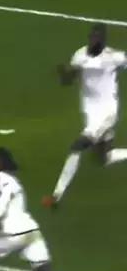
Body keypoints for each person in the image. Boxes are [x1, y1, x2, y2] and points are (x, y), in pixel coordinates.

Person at [42, 23, 127, 209]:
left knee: (77, 147)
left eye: (97, 38)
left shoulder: (113, 57)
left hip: (107, 113)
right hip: (90, 113)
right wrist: (63, 74)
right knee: (103, 158)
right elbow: (68, 80)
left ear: (103, 40)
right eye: (91, 37)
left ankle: (56, 195)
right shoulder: (80, 55)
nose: (93, 40)